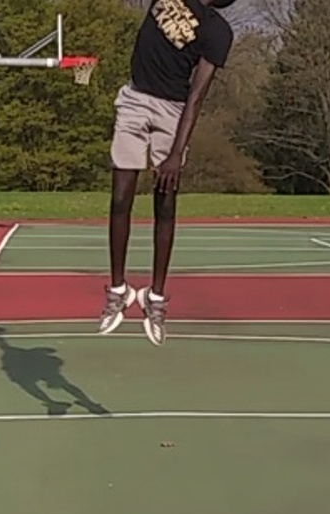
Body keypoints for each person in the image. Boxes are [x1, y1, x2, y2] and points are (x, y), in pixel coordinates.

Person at [97, 0, 237, 346]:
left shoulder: (219, 31)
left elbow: (197, 96)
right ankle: (119, 290)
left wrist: (176, 152)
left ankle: (155, 297)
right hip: (134, 99)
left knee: (166, 204)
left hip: (173, 112)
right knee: (120, 197)